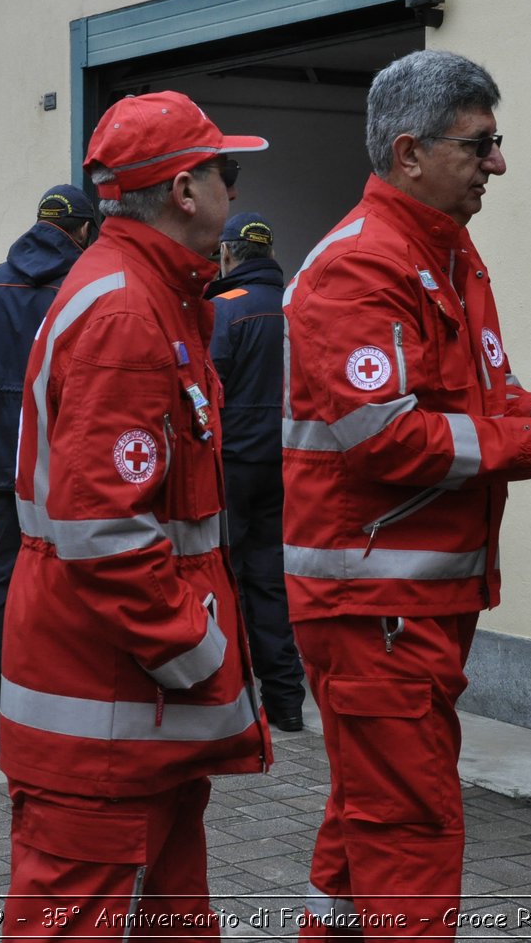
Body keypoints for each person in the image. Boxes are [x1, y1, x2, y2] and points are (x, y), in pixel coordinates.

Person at [283, 50, 531, 937]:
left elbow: (458, 399)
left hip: (406, 605)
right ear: (409, 153)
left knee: (371, 814)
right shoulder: (361, 268)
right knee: (411, 829)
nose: (498, 164)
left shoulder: (444, 251)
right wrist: (529, 439)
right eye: (481, 146)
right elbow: (383, 435)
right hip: (375, 609)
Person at [0, 91, 271, 936]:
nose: (235, 185)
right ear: (186, 192)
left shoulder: (157, 292)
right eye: (225, 169)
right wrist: (196, 655)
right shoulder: (129, 309)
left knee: (173, 920)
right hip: (111, 711)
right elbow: (105, 531)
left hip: (132, 707)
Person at [0, 184, 96, 744]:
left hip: (6, 466)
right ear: (83, 230)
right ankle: (66, 699)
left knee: (5, 579)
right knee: (78, 578)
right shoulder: (86, 285)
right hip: (72, 467)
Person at [206, 211, 307, 732]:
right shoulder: (297, 307)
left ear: (227, 255)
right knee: (270, 579)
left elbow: (204, 392)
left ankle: (224, 698)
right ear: (268, 255)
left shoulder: (223, 309)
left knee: (221, 578)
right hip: (286, 466)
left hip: (230, 471)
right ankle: (286, 698)